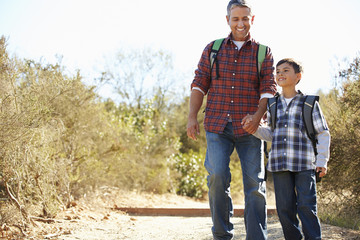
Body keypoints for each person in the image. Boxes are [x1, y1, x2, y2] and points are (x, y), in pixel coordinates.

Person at [187, 0, 277, 239]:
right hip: (217, 124)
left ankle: (257, 236)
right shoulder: (213, 49)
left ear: (252, 20)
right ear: (227, 19)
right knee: (217, 176)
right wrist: (191, 117)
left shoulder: (263, 52)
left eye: (245, 18)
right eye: (235, 18)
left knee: (255, 186)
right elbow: (199, 83)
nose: (240, 23)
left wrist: (258, 117)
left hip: (251, 129)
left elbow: (268, 88)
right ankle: (222, 234)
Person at [248, 58, 331, 240]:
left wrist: (322, 161)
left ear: (298, 76)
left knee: (306, 206)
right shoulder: (273, 104)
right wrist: (253, 129)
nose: (280, 74)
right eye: (277, 72)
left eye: (285, 70)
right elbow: (271, 134)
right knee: (284, 209)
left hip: (304, 164)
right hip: (279, 165)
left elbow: (323, 133)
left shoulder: (309, 103)